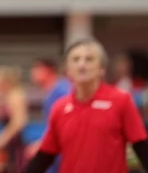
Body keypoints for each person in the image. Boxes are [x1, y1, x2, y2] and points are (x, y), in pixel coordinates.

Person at [23, 39, 148, 173]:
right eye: (76, 60)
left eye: (89, 59)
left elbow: (140, 146)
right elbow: (46, 155)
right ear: (68, 71)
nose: (82, 65)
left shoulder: (121, 101)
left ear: (102, 69)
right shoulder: (60, 107)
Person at [26, 59, 71, 173]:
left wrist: (41, 144)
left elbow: (64, 123)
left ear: (47, 70)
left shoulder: (63, 90)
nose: (32, 73)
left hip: (62, 150)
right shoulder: (50, 92)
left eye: (36, 70)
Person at [0, 66, 28, 173]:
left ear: (4, 83)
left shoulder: (15, 96)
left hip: (15, 143)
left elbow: (19, 122)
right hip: (8, 145)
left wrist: (2, 138)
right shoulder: (4, 97)